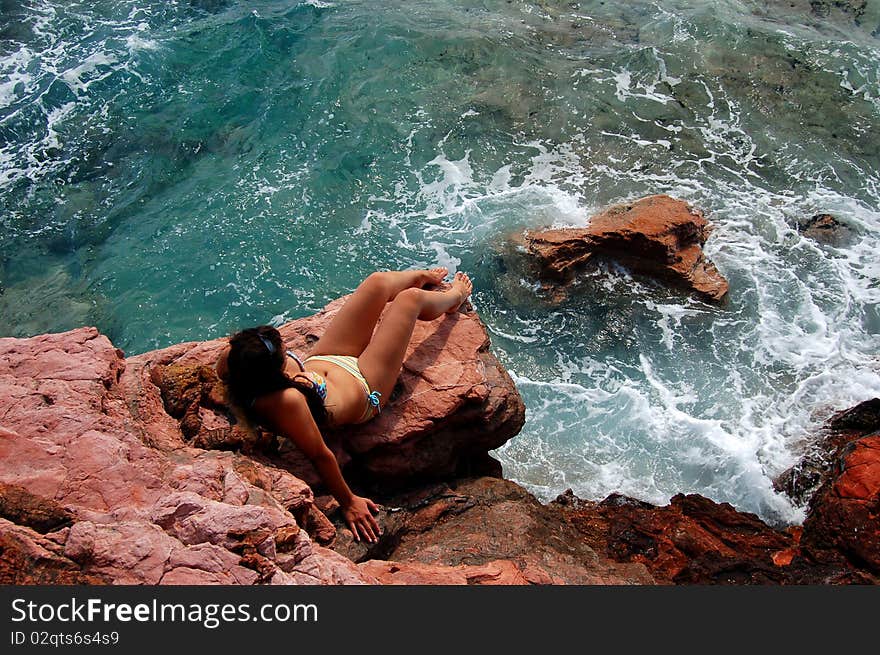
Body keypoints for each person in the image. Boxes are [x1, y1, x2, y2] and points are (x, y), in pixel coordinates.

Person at [216, 268, 473, 543]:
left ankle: (423, 277)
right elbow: (320, 455)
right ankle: (455, 296)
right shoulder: (286, 401)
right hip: (365, 384)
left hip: (329, 357)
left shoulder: (235, 360)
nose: (285, 348)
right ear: (271, 373)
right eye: (281, 353)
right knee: (409, 301)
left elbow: (235, 364)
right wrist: (348, 501)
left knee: (377, 282)